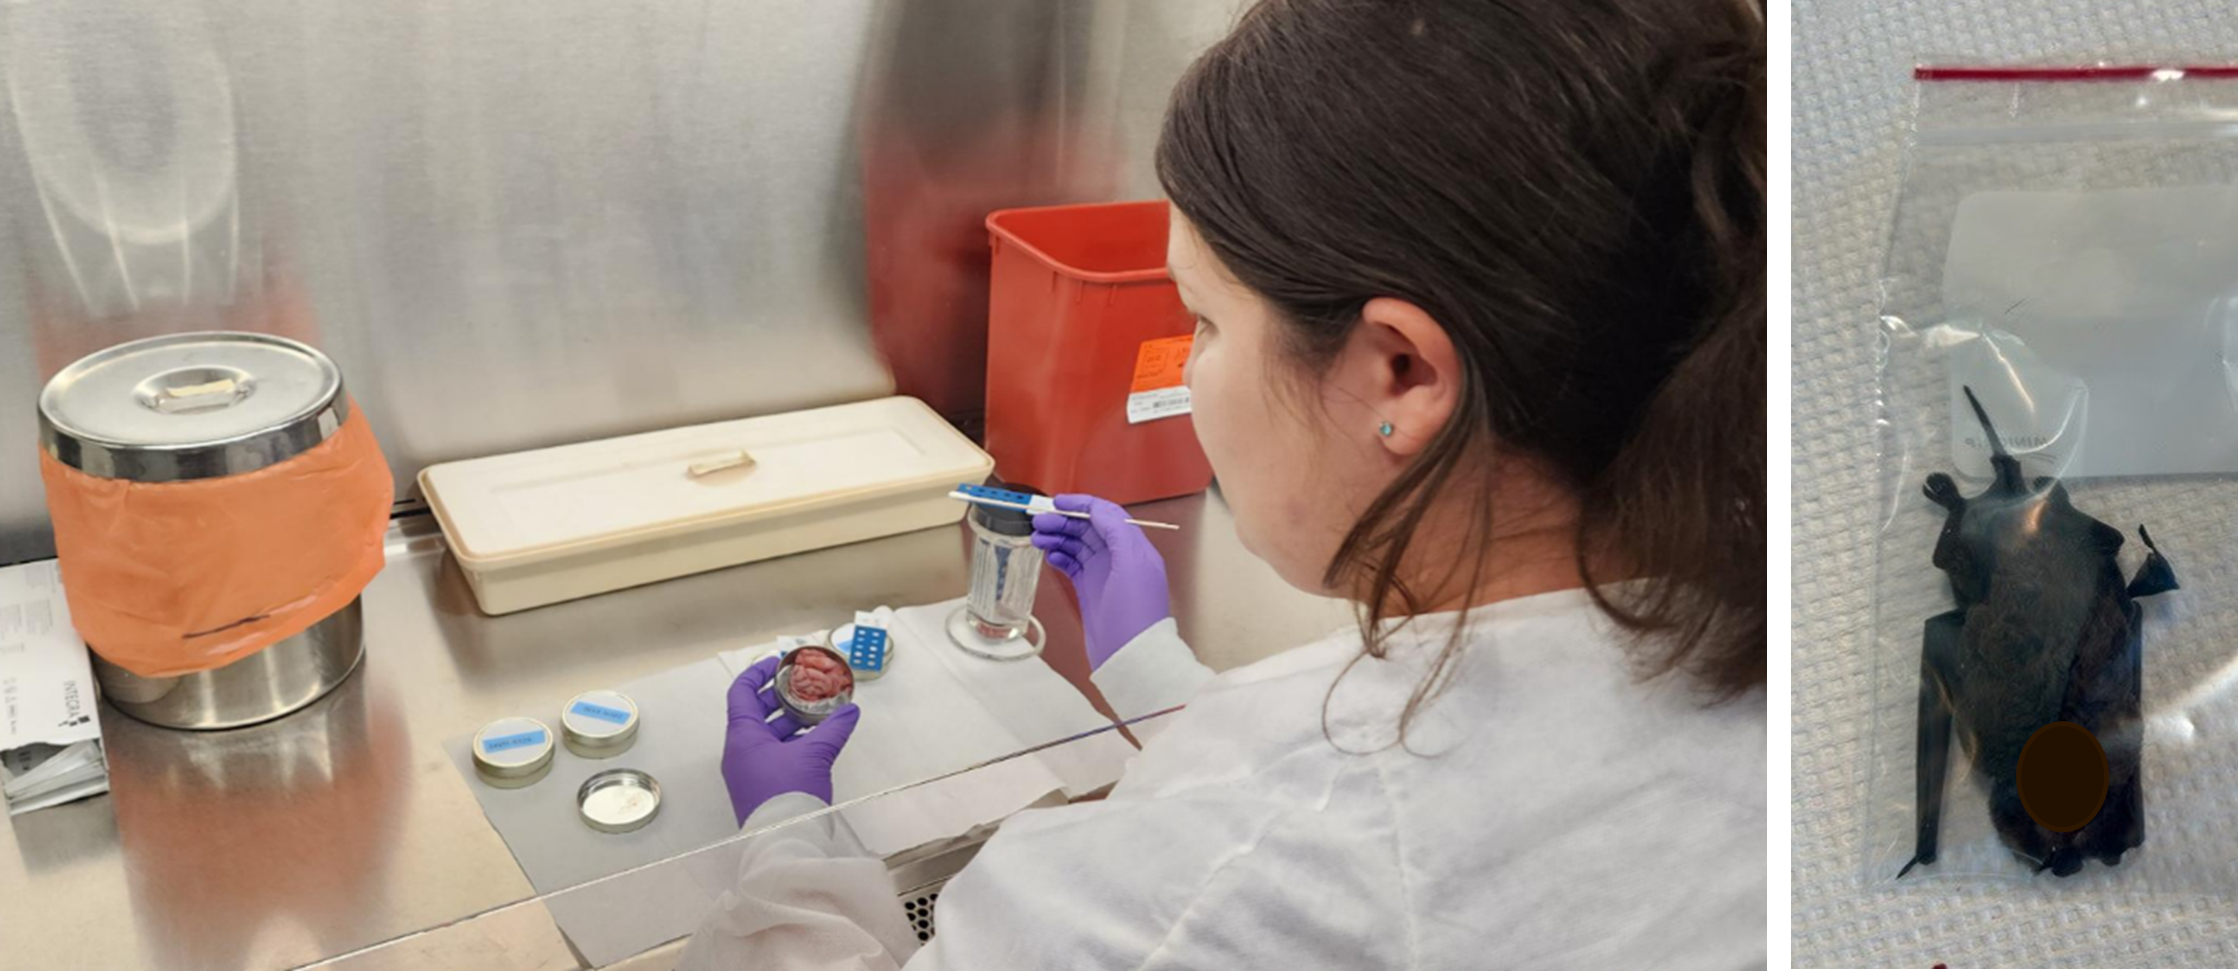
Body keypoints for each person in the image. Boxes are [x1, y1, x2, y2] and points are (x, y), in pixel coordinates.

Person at [683, 0, 1765, 966]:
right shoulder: (1757, 645)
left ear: (1399, 371)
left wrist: (785, 838)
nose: (1192, 367)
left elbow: (1283, 838)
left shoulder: (1200, 883)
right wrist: (1155, 673)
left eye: (1201, 318)